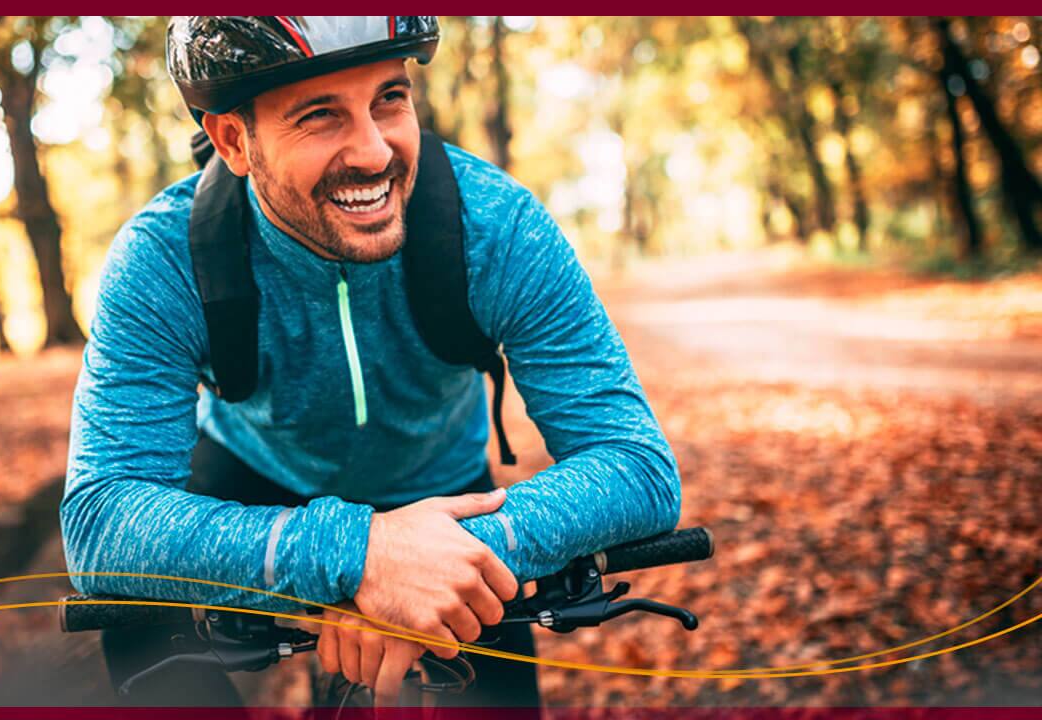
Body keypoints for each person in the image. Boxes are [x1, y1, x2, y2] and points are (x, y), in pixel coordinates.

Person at [61, 15, 682, 709]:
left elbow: (637, 465)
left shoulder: (497, 228)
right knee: (135, 625)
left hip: (449, 497)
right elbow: (100, 522)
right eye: (320, 116)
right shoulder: (162, 260)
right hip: (254, 477)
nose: (373, 151)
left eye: (390, 98)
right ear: (234, 140)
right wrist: (356, 555)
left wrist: (444, 558)